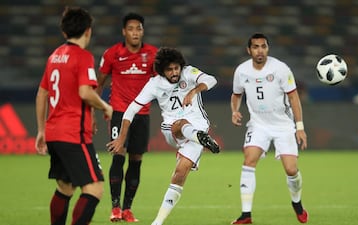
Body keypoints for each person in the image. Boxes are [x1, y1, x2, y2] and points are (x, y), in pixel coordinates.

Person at [106, 47, 220, 225]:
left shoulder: (189, 73)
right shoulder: (154, 84)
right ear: (161, 70)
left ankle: (157, 222)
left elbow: (211, 80)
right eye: (169, 69)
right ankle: (200, 138)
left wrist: (194, 91)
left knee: (180, 174)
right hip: (171, 128)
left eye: (176, 68)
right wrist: (121, 138)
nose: (174, 73)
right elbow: (131, 109)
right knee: (181, 124)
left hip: (198, 127)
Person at [35, 6, 113, 225]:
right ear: (88, 31)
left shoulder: (54, 57)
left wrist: (41, 130)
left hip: (53, 133)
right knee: (95, 188)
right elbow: (85, 92)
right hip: (73, 134)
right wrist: (106, 107)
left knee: (65, 187)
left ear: (64, 32)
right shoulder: (83, 56)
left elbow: (42, 93)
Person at [230, 33, 308, 224]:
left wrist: (299, 127)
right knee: (249, 160)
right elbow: (236, 94)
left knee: (291, 170)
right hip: (259, 124)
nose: (260, 51)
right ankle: (246, 215)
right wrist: (234, 110)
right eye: (255, 47)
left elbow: (294, 98)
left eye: (263, 46)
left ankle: (297, 203)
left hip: (283, 125)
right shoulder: (241, 71)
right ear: (249, 50)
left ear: (268, 48)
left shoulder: (281, 69)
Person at [97, 12, 158, 222]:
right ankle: (115, 208)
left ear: (143, 31)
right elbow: (100, 82)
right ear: (124, 31)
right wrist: (97, 110)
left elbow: (162, 84)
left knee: (136, 159)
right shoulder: (112, 53)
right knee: (118, 154)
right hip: (119, 112)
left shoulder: (152, 54)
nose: (135, 32)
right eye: (131, 28)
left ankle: (127, 209)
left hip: (142, 113)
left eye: (138, 28)